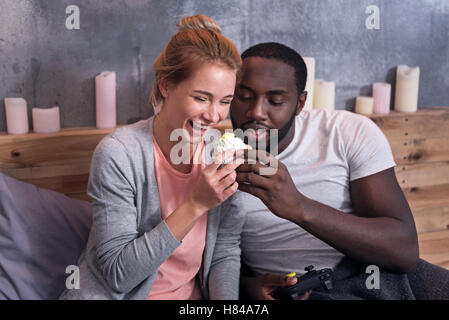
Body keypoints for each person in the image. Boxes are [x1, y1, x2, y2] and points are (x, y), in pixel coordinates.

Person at [227, 42, 449, 300]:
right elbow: (204, 259)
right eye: (243, 97)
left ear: (300, 104)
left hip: (373, 273)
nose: (256, 112)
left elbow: (404, 250)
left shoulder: (346, 132)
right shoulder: (211, 159)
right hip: (297, 292)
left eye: (275, 101)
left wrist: (300, 207)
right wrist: (246, 287)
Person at [60, 15, 245, 300]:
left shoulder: (223, 153)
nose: (214, 115)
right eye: (201, 98)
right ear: (166, 86)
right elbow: (119, 275)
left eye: (225, 101)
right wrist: (196, 203)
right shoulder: (119, 153)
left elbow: (224, 253)